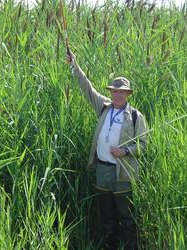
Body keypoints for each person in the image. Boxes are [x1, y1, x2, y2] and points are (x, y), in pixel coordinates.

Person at [66, 50, 147, 250]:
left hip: (122, 173)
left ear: (127, 94)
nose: (117, 94)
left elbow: (144, 145)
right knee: (106, 216)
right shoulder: (104, 107)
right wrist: (74, 65)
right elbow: (88, 88)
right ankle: (109, 246)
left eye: (122, 92)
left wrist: (125, 151)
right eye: (115, 91)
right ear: (111, 92)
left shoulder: (136, 116)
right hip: (102, 171)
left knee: (126, 217)